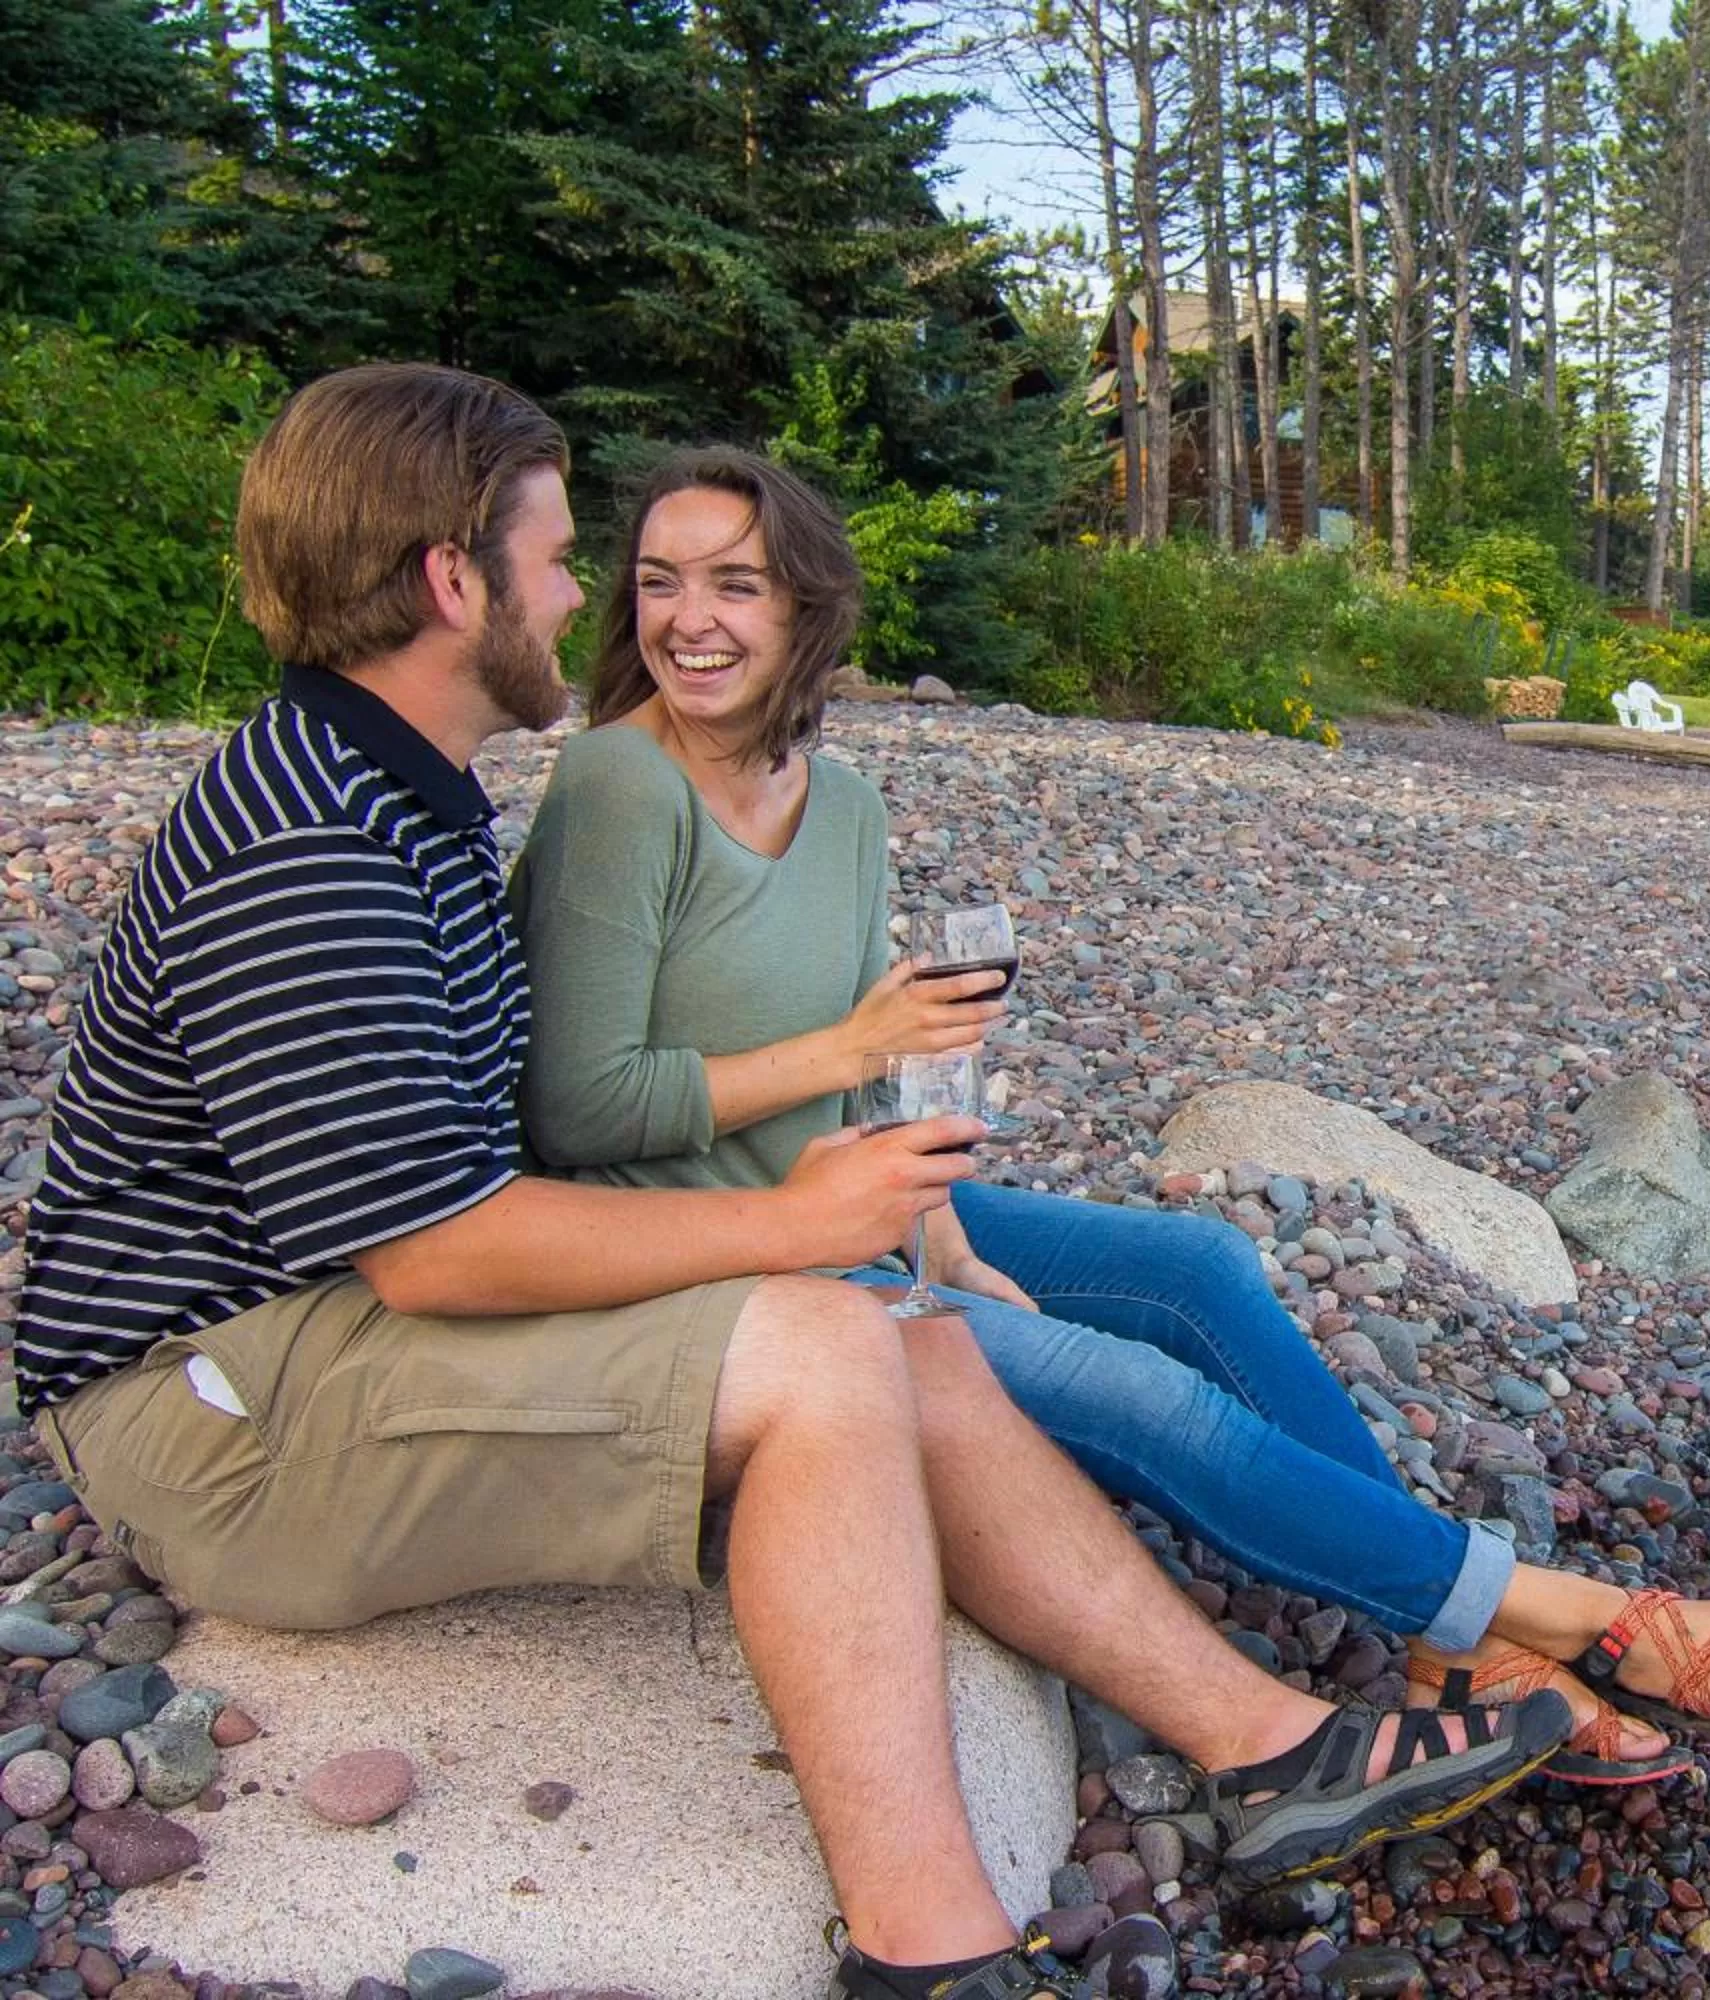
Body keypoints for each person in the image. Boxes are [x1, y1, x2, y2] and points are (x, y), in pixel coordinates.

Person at [10, 366, 1574, 2000]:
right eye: (559, 562)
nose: (577, 598)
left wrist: (888, 1230)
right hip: (221, 1407)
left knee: (920, 1337)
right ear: (450, 580)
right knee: (831, 1336)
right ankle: (934, 1951)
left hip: (333, 1326)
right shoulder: (312, 844)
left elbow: (455, 1194)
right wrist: (792, 1224)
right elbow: (433, 1251)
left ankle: (1271, 1751)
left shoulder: (410, 794)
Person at [510, 449, 1710, 1784]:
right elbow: (574, 1108)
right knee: (1137, 1391)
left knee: (1196, 1265)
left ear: (803, 604)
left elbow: (869, 1091)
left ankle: (1446, 1632)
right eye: (659, 582)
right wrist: (850, 1046)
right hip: (708, 1257)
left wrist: (953, 1251)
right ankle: (1558, 1612)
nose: (690, 619)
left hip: (857, 1213)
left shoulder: (842, 803)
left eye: (734, 584)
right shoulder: (620, 788)